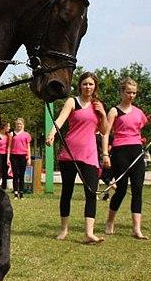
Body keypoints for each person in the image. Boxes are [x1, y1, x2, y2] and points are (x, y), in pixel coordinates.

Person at [46, 71, 108, 244]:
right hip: (70, 154)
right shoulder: (72, 101)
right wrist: (52, 133)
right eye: (85, 83)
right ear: (80, 85)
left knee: (91, 193)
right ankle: (64, 229)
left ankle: (89, 233)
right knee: (67, 192)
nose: (88, 87)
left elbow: (104, 131)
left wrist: (102, 115)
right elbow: (60, 120)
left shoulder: (98, 105)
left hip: (89, 155)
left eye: (91, 84)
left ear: (95, 87)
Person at [101, 78, 151, 240]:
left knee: (138, 189)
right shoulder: (114, 111)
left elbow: (141, 125)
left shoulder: (139, 113)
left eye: (134, 93)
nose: (131, 95)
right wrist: (105, 153)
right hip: (120, 152)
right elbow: (105, 133)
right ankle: (110, 222)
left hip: (137, 152)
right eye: (128, 92)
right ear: (121, 92)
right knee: (122, 190)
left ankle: (136, 228)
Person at [8, 118, 32, 200]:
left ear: (23, 125)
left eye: (20, 124)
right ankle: (15, 193)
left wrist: (29, 158)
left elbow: (28, 147)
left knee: (21, 175)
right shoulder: (12, 134)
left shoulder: (26, 135)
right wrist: (8, 158)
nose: (19, 125)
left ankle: (21, 193)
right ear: (15, 125)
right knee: (15, 175)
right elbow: (9, 146)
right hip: (14, 156)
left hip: (23, 156)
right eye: (17, 124)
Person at [0, 122, 12, 190]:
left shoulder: (8, 135)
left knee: (5, 174)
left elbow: (9, 146)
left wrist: (8, 158)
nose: (9, 128)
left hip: (6, 155)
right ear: (4, 127)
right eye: (8, 126)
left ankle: (3, 189)